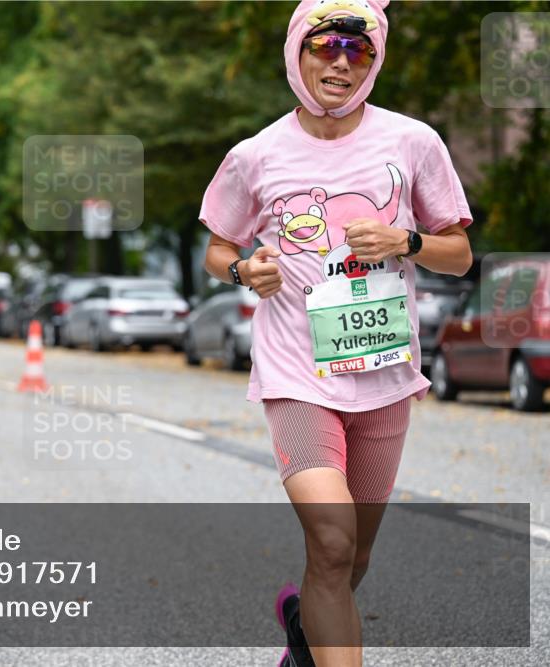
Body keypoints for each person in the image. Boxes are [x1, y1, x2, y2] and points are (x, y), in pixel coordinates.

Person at [198, 2, 473, 665]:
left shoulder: (413, 142)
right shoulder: (255, 155)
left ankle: (303, 634)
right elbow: (218, 249)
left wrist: (407, 239)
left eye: (360, 51)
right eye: (326, 46)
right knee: (331, 540)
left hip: (383, 374)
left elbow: (459, 253)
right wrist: (243, 268)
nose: (341, 63)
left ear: (374, 63)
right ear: (297, 50)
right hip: (298, 373)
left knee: (355, 554)